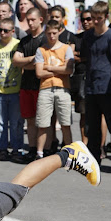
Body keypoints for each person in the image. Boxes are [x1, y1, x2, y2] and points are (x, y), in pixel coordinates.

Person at [81, 1, 111, 171]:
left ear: (106, 17)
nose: (95, 21)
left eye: (99, 18)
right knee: (92, 128)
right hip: (91, 88)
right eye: (93, 18)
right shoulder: (88, 36)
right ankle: (94, 161)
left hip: (108, 88)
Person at [0, 17, 24, 163]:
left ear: (13, 31)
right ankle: (1, 149)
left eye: (6, 30)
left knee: (16, 123)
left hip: (15, 90)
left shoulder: (18, 45)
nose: (2, 33)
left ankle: (16, 149)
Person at [34, 19, 75, 159]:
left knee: (65, 123)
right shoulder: (41, 50)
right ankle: (39, 153)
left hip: (63, 89)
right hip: (45, 89)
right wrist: (59, 70)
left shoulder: (66, 49)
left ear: (59, 32)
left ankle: (70, 154)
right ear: (45, 33)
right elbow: (39, 73)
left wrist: (49, 67)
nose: (52, 36)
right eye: (49, 33)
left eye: (54, 33)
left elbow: (69, 69)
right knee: (43, 123)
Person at [13, 7, 46, 162]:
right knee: (30, 120)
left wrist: (26, 63)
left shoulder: (46, 39)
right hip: (26, 86)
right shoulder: (24, 41)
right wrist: (33, 60)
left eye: (33, 20)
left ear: (40, 19)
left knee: (43, 122)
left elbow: (45, 63)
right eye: (28, 20)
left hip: (42, 86)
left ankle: (43, 151)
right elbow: (16, 61)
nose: (30, 23)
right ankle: (32, 150)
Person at [70, 10, 93, 143]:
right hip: (80, 80)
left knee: (99, 115)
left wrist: (82, 57)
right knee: (83, 115)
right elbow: (71, 56)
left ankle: (99, 146)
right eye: (83, 19)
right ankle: (84, 145)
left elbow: (95, 57)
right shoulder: (76, 38)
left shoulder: (98, 36)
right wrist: (84, 57)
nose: (85, 22)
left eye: (88, 19)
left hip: (96, 79)